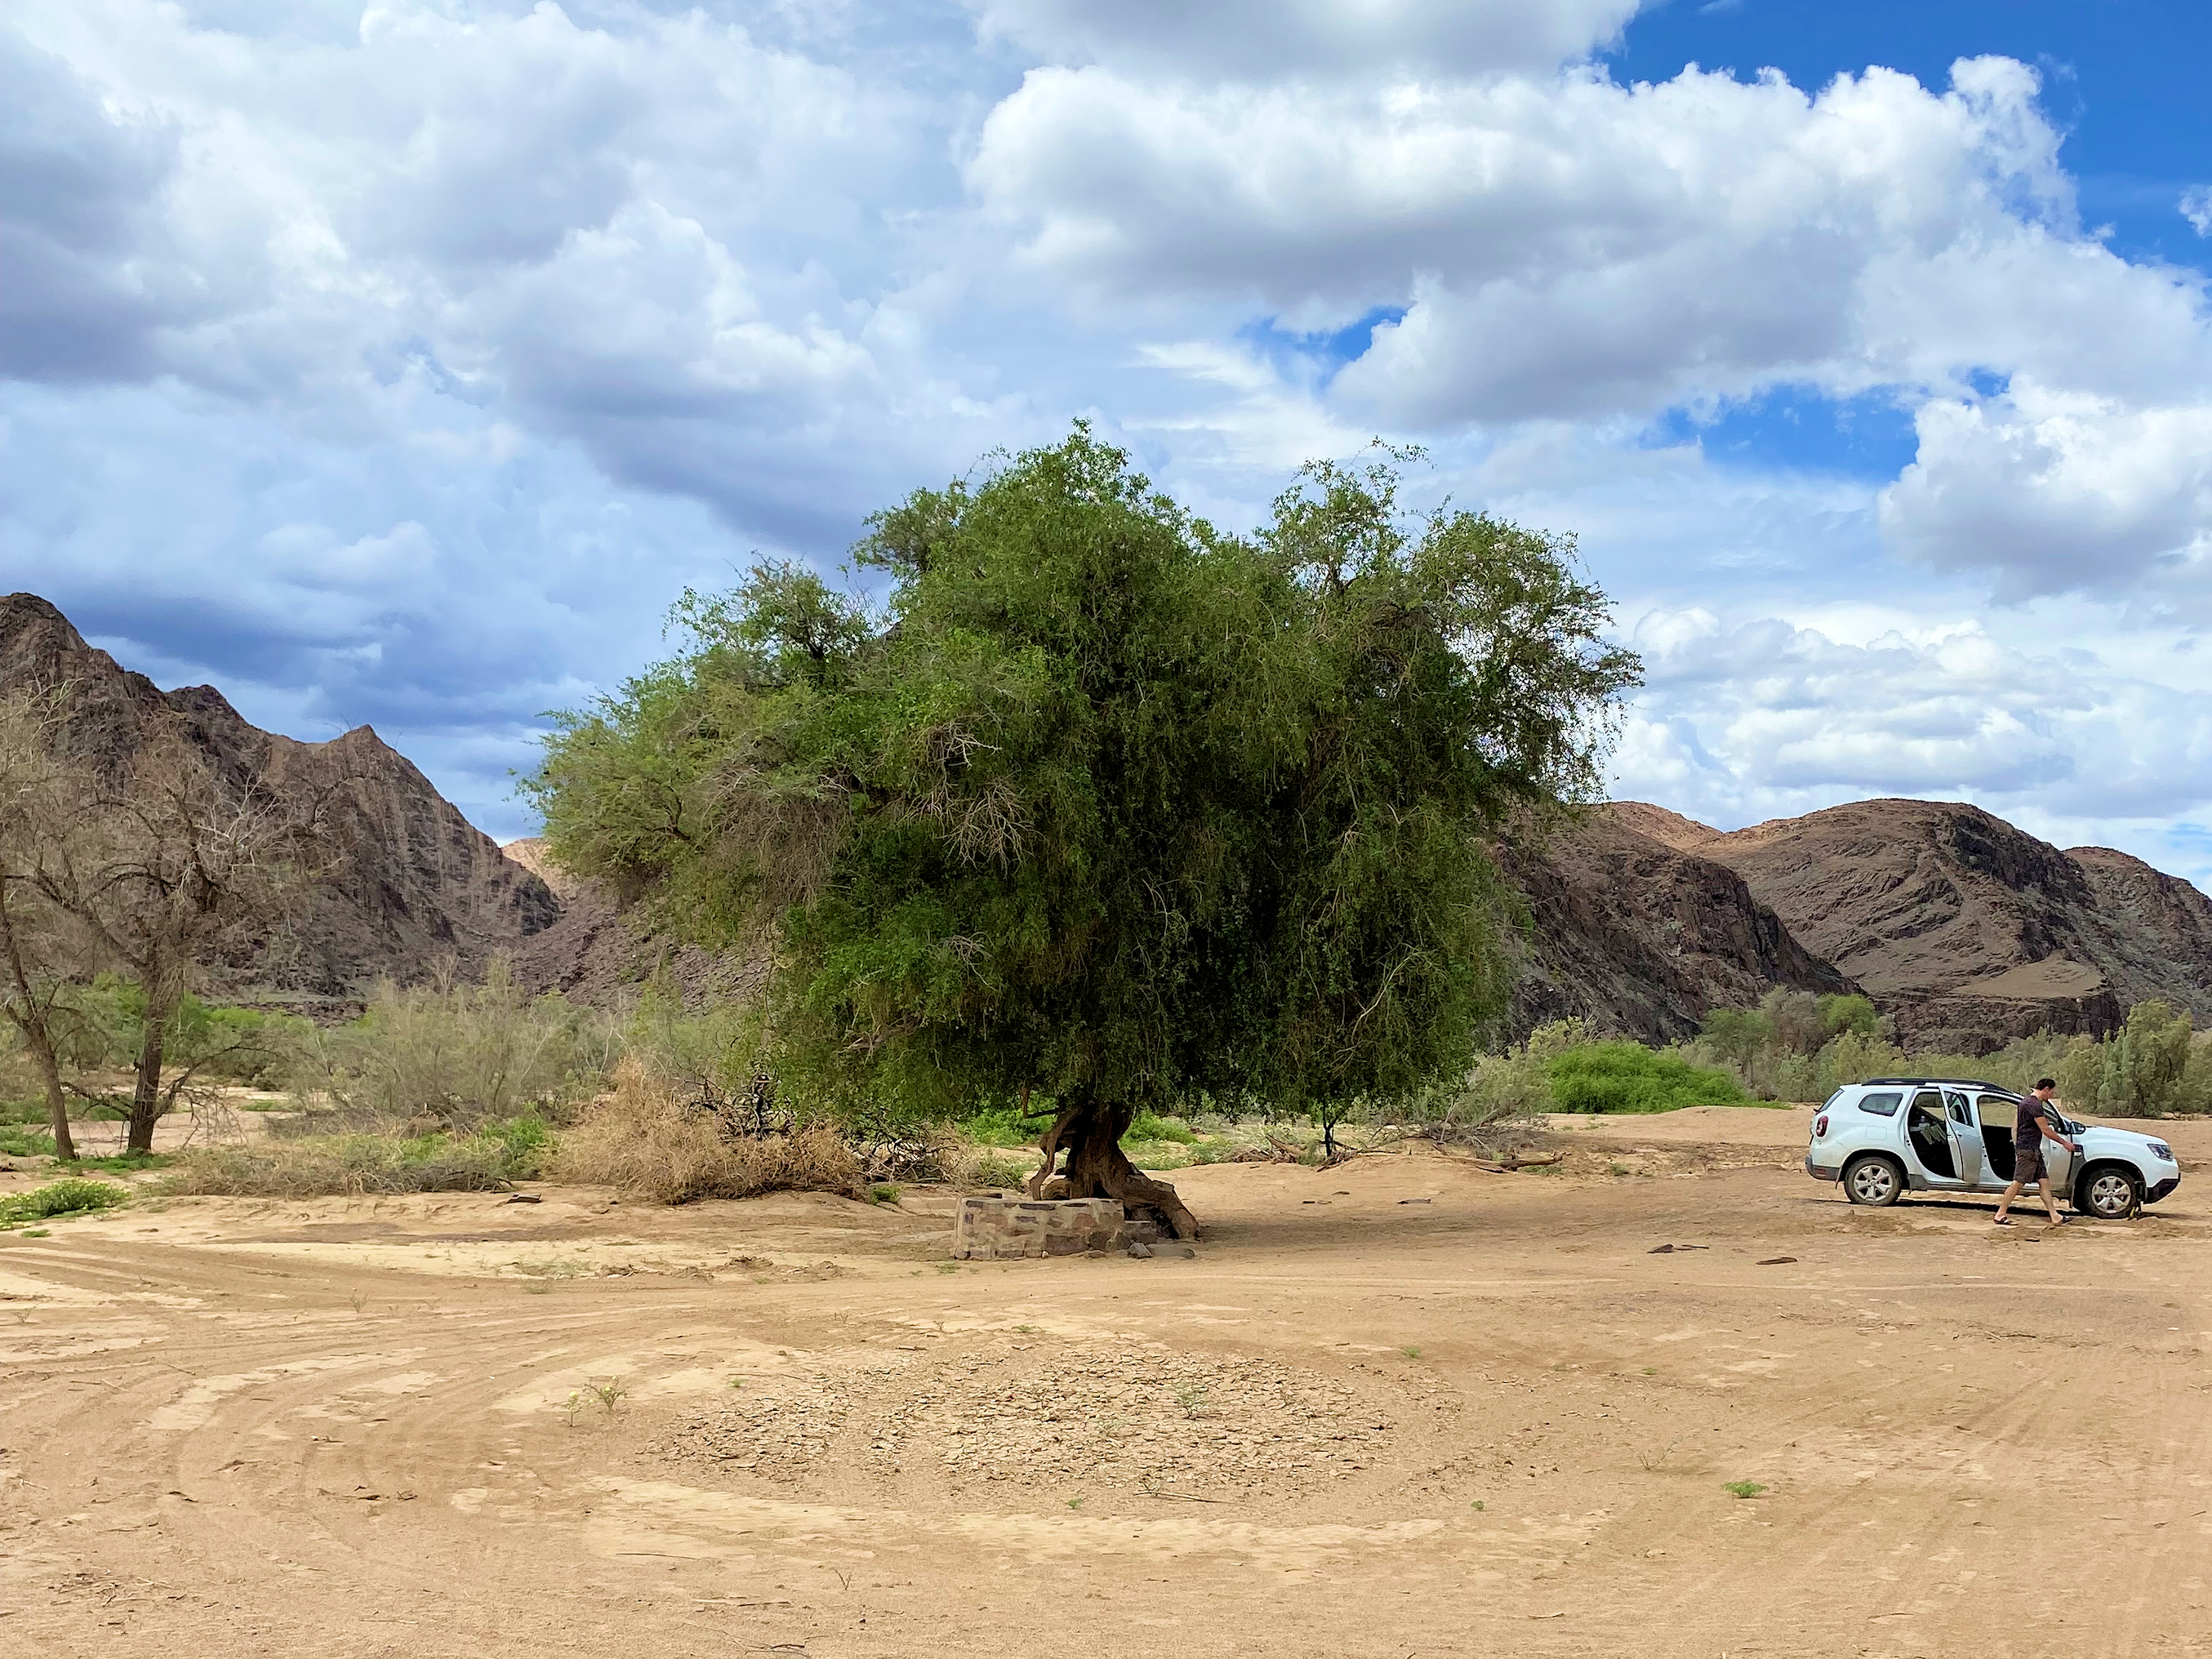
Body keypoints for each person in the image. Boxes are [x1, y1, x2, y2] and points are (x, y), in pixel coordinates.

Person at [1994, 1077, 2076, 1225]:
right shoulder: (2034, 1105)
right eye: (2052, 1092)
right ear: (2046, 1089)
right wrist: (2065, 1143)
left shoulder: (2025, 1102)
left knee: (2044, 1182)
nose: (2052, 1095)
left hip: (2032, 1149)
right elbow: (2045, 1130)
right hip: (2028, 1150)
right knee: (2018, 1183)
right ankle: (2000, 1214)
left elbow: (2016, 1125)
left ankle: (2055, 1216)